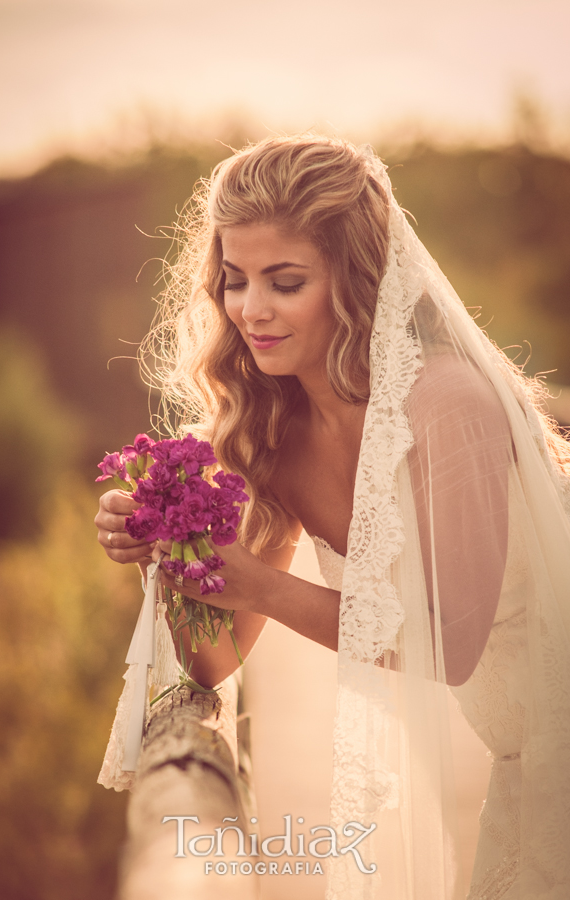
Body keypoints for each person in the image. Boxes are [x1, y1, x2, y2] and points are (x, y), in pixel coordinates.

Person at [95, 136, 570, 899]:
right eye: (233, 280)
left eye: (285, 282)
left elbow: (446, 645)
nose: (251, 310)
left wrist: (255, 584)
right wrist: (173, 543)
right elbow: (212, 665)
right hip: (529, 758)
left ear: (358, 281)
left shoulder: (447, 405)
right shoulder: (270, 433)